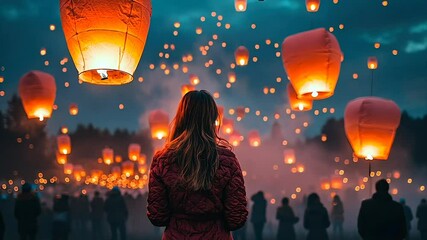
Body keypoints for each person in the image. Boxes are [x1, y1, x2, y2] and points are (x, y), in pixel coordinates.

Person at [147, 90, 248, 239]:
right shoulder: (227, 160)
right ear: (213, 119)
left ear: (181, 118)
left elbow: (157, 217)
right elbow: (236, 218)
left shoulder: (163, 160)